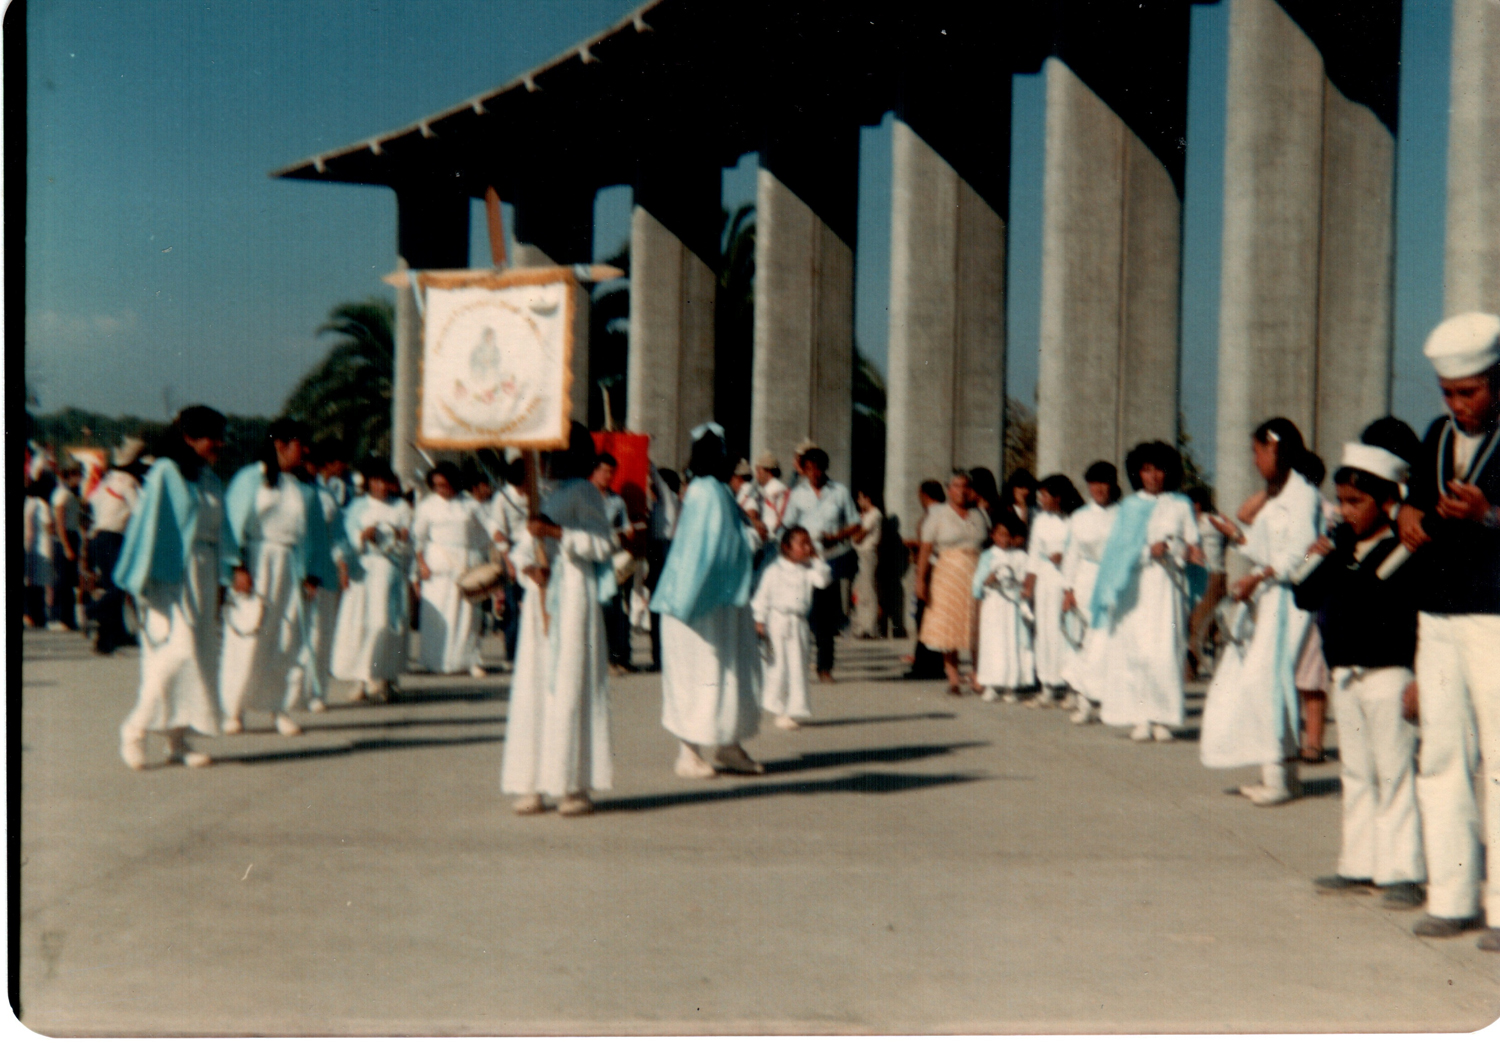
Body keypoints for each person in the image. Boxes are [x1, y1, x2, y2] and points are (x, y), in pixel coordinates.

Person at [1395, 312, 1500, 947]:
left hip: (1495, 617)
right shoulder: (1435, 435)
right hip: (1437, 614)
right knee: (1441, 754)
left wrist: (1490, 516)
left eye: (1470, 391)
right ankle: (1453, 895)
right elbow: (1411, 495)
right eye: (1448, 392)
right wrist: (1408, 510)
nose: (1457, 404)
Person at [1294, 438, 1425, 911]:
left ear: (1388, 502)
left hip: (1389, 673)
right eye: (1343, 501)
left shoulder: (1401, 549)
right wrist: (1318, 552)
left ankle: (1403, 871)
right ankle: (1359, 863)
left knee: (1394, 773)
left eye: (1357, 502)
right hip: (1346, 675)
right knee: (1357, 772)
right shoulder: (1340, 546)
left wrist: (1419, 679)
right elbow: (1302, 594)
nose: (1346, 511)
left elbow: (1398, 609)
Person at [1199, 419, 1323, 802]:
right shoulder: (1276, 496)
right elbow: (1266, 547)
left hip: (1288, 600)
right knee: (1268, 682)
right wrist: (1235, 536)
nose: (1254, 460)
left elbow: (1302, 552)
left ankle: (1277, 779)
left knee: (1264, 682)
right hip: (1269, 598)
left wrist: (1260, 577)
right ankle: (1284, 772)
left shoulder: (1303, 496)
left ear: (1275, 450)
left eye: (1257, 451)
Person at [501, 423, 619, 817]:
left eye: (551, 453)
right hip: (541, 602)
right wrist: (528, 569)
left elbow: (602, 542)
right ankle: (532, 782)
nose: (545, 461)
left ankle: (572, 785)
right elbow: (522, 548)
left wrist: (555, 532)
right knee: (536, 687)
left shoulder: (585, 492)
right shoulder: (544, 494)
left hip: (572, 601)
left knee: (569, 687)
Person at [114, 406, 233, 770]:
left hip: (206, 572)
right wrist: (141, 582)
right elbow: (147, 527)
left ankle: (178, 740)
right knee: (175, 656)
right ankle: (134, 729)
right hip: (172, 577)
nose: (219, 444)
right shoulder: (166, 472)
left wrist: (230, 573)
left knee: (198, 658)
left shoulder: (209, 477)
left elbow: (223, 529)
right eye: (212, 436)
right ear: (188, 438)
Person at [652, 423, 765, 778]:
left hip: (714, 602)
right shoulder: (708, 493)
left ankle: (728, 745)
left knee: (728, 673)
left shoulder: (711, 490)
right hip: (697, 605)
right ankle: (688, 752)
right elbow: (719, 548)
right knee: (702, 674)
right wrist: (754, 539)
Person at [220, 418, 334, 736]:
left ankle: (277, 707)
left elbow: (315, 538)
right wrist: (236, 567)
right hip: (256, 563)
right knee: (249, 635)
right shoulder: (249, 478)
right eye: (301, 443)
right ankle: (234, 709)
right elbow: (231, 526)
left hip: (291, 566)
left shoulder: (305, 489)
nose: (306, 450)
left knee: (286, 639)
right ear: (280, 444)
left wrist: (313, 575)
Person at [1093, 441, 1202, 742]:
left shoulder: (1181, 505)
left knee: (1165, 651)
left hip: (1168, 588)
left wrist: (1175, 549)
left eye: (1159, 470)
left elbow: (1192, 545)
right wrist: (1146, 552)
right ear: (1137, 473)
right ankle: (1141, 716)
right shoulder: (1129, 508)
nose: (1153, 476)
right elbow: (1116, 552)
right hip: (1136, 589)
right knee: (1137, 651)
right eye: (1146, 470)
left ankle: (1163, 717)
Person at [329, 459, 413, 703]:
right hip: (363, 571)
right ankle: (361, 679)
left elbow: (411, 545)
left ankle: (385, 677)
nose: (381, 487)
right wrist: (362, 537)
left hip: (390, 570)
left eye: (385, 481)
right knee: (361, 624)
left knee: (385, 623)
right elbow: (345, 541)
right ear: (368, 483)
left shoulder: (402, 508)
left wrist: (402, 538)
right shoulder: (357, 507)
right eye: (375, 481)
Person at [780, 446, 861, 682]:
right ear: (803, 470)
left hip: (829, 559)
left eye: (818, 468)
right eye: (809, 469)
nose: (814, 473)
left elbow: (855, 523)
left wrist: (835, 536)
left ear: (825, 469)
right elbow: (787, 526)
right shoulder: (797, 494)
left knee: (826, 616)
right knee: (804, 612)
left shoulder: (839, 492)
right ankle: (798, 665)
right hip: (803, 561)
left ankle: (825, 667)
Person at [915, 471, 990, 694]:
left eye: (966, 486)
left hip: (976, 574)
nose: (962, 490)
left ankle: (977, 676)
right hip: (947, 574)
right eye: (957, 486)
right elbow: (926, 549)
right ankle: (954, 678)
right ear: (949, 489)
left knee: (977, 626)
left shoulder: (980, 514)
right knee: (950, 626)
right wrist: (920, 580)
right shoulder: (938, 515)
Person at [412, 462, 490, 677]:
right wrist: (421, 564)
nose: (440, 490)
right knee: (439, 614)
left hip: (466, 562)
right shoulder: (427, 506)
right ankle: (437, 661)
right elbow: (418, 538)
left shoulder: (470, 504)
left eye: (445, 485)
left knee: (468, 616)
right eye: (436, 485)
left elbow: (489, 529)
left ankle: (469, 660)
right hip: (437, 566)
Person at [753, 525, 832, 730]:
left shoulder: (808, 570)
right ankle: (779, 709)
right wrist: (759, 621)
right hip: (777, 622)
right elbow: (762, 597)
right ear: (787, 547)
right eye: (802, 544)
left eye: (809, 543)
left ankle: (793, 709)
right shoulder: (774, 570)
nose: (807, 548)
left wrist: (816, 558)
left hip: (798, 623)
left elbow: (823, 580)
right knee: (778, 666)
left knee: (798, 665)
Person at [1061, 462, 1121, 725]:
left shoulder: (1123, 514)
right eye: (1094, 483)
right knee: (1085, 642)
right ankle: (1084, 702)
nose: (1099, 488)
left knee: (1111, 643)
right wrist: (1068, 589)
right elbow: (1071, 553)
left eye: (1104, 482)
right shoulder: (1079, 517)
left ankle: (1112, 703)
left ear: (1113, 484)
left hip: (1115, 583)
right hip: (1085, 583)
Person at [1022, 474, 1084, 706]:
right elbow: (1034, 554)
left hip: (1068, 581)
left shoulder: (1075, 520)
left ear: (1058, 497)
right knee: (1046, 632)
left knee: (1067, 633)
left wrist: (1064, 557)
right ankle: (1047, 686)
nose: (1040, 499)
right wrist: (1029, 584)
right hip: (1046, 581)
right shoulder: (1040, 520)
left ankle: (1072, 689)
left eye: (1045, 495)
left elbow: (1081, 551)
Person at [305, 439, 354, 710]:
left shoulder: (328, 494)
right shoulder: (299, 489)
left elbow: (338, 535)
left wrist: (343, 566)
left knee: (322, 633)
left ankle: (316, 690)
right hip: (302, 567)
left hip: (326, 570)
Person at [84, 437, 146, 653]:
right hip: (114, 537)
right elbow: (140, 511)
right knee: (121, 585)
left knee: (112, 584)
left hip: (98, 535)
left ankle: (109, 637)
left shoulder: (107, 480)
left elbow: (92, 500)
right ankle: (93, 610)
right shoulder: (130, 483)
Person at [972, 512, 1035, 703]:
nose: (1004, 539)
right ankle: (992, 684)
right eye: (1000, 535)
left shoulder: (1020, 556)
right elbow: (976, 585)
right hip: (994, 607)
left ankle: (1012, 685)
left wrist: (1025, 588)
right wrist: (987, 580)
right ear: (993, 535)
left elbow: (1027, 581)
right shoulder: (988, 556)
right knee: (994, 644)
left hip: (1013, 608)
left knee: (1013, 643)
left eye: (1007, 535)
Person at [904, 479, 949, 679]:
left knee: (924, 619)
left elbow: (929, 546)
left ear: (924, 495)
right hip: (939, 570)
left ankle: (925, 665)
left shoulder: (932, 515)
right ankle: (933, 663)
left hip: (931, 571)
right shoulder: (945, 512)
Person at [489, 456, 531, 664]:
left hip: (533, 553)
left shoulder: (537, 494)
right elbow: (498, 531)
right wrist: (508, 561)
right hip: (512, 553)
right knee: (513, 608)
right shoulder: (502, 498)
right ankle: (512, 654)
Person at [1184, 485, 1227, 681]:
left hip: (1212, 576)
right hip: (1195, 575)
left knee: (1198, 623)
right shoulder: (1204, 522)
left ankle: (1189, 671)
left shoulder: (1208, 522)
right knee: (1201, 621)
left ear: (1197, 504)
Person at [644, 464, 681, 672]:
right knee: (655, 610)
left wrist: (645, 453)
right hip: (656, 553)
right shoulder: (658, 505)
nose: (651, 486)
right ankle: (658, 658)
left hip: (665, 551)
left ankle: (662, 658)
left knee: (660, 610)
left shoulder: (670, 501)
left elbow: (656, 477)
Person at [50, 463, 84, 631]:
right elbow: (60, 522)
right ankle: (62, 618)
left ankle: (69, 619)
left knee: (70, 580)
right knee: (63, 580)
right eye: (78, 476)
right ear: (70, 476)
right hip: (66, 537)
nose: (81, 480)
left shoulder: (71, 494)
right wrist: (66, 546)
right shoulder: (62, 494)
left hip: (73, 535)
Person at [23, 472, 58, 628]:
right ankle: (37, 615)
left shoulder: (29, 502)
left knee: (34, 584)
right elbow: (45, 526)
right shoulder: (40, 504)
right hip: (41, 547)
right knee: (40, 584)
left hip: (33, 547)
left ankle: (34, 614)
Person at [851, 487, 884, 638]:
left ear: (867, 498)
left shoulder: (875, 514)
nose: (858, 502)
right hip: (861, 554)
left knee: (868, 591)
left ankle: (870, 628)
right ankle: (862, 626)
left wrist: (852, 531)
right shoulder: (866, 515)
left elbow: (858, 536)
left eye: (860, 498)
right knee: (860, 590)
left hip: (867, 554)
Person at [754, 451, 790, 537]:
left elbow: (782, 518)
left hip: (774, 536)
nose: (757, 476)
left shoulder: (777, 489)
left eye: (759, 471)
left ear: (768, 471)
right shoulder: (765, 489)